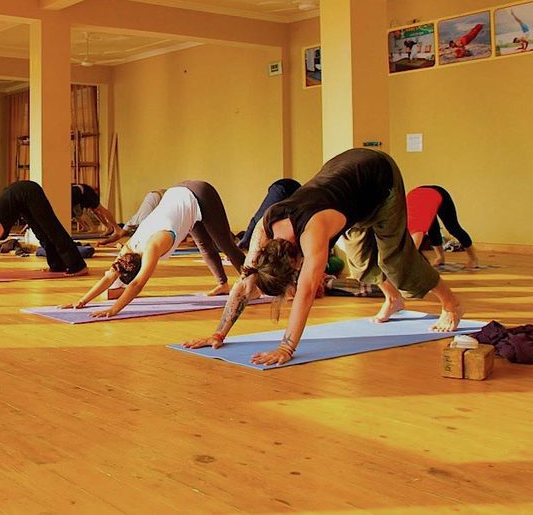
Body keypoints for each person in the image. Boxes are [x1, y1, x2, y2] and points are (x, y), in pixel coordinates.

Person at [185, 148, 465, 367]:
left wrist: (286, 347)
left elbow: (306, 292)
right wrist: (218, 334)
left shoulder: (313, 233)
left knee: (396, 263)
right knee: (360, 264)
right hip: (350, 187)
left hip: (380, 180)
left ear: (295, 265)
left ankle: (451, 304)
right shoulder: (264, 230)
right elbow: (244, 284)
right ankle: (393, 300)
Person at [59, 181, 245, 318]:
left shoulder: (153, 246)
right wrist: (82, 301)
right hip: (178, 194)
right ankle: (222, 284)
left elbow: (137, 284)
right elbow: (109, 276)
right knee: (203, 245)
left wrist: (114, 309)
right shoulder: (128, 248)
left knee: (225, 244)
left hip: (199, 194)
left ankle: (255, 285)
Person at [407, 186, 479, 269]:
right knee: (432, 229)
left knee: (453, 228)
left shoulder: (416, 232)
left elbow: (410, 255)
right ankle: (440, 258)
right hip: (418, 198)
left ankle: (473, 259)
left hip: (438, 193)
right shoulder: (402, 226)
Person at [238, 179, 301, 250]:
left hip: (284, 187)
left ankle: (244, 240)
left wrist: (244, 241)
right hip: (289, 188)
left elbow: (257, 220)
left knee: (261, 218)